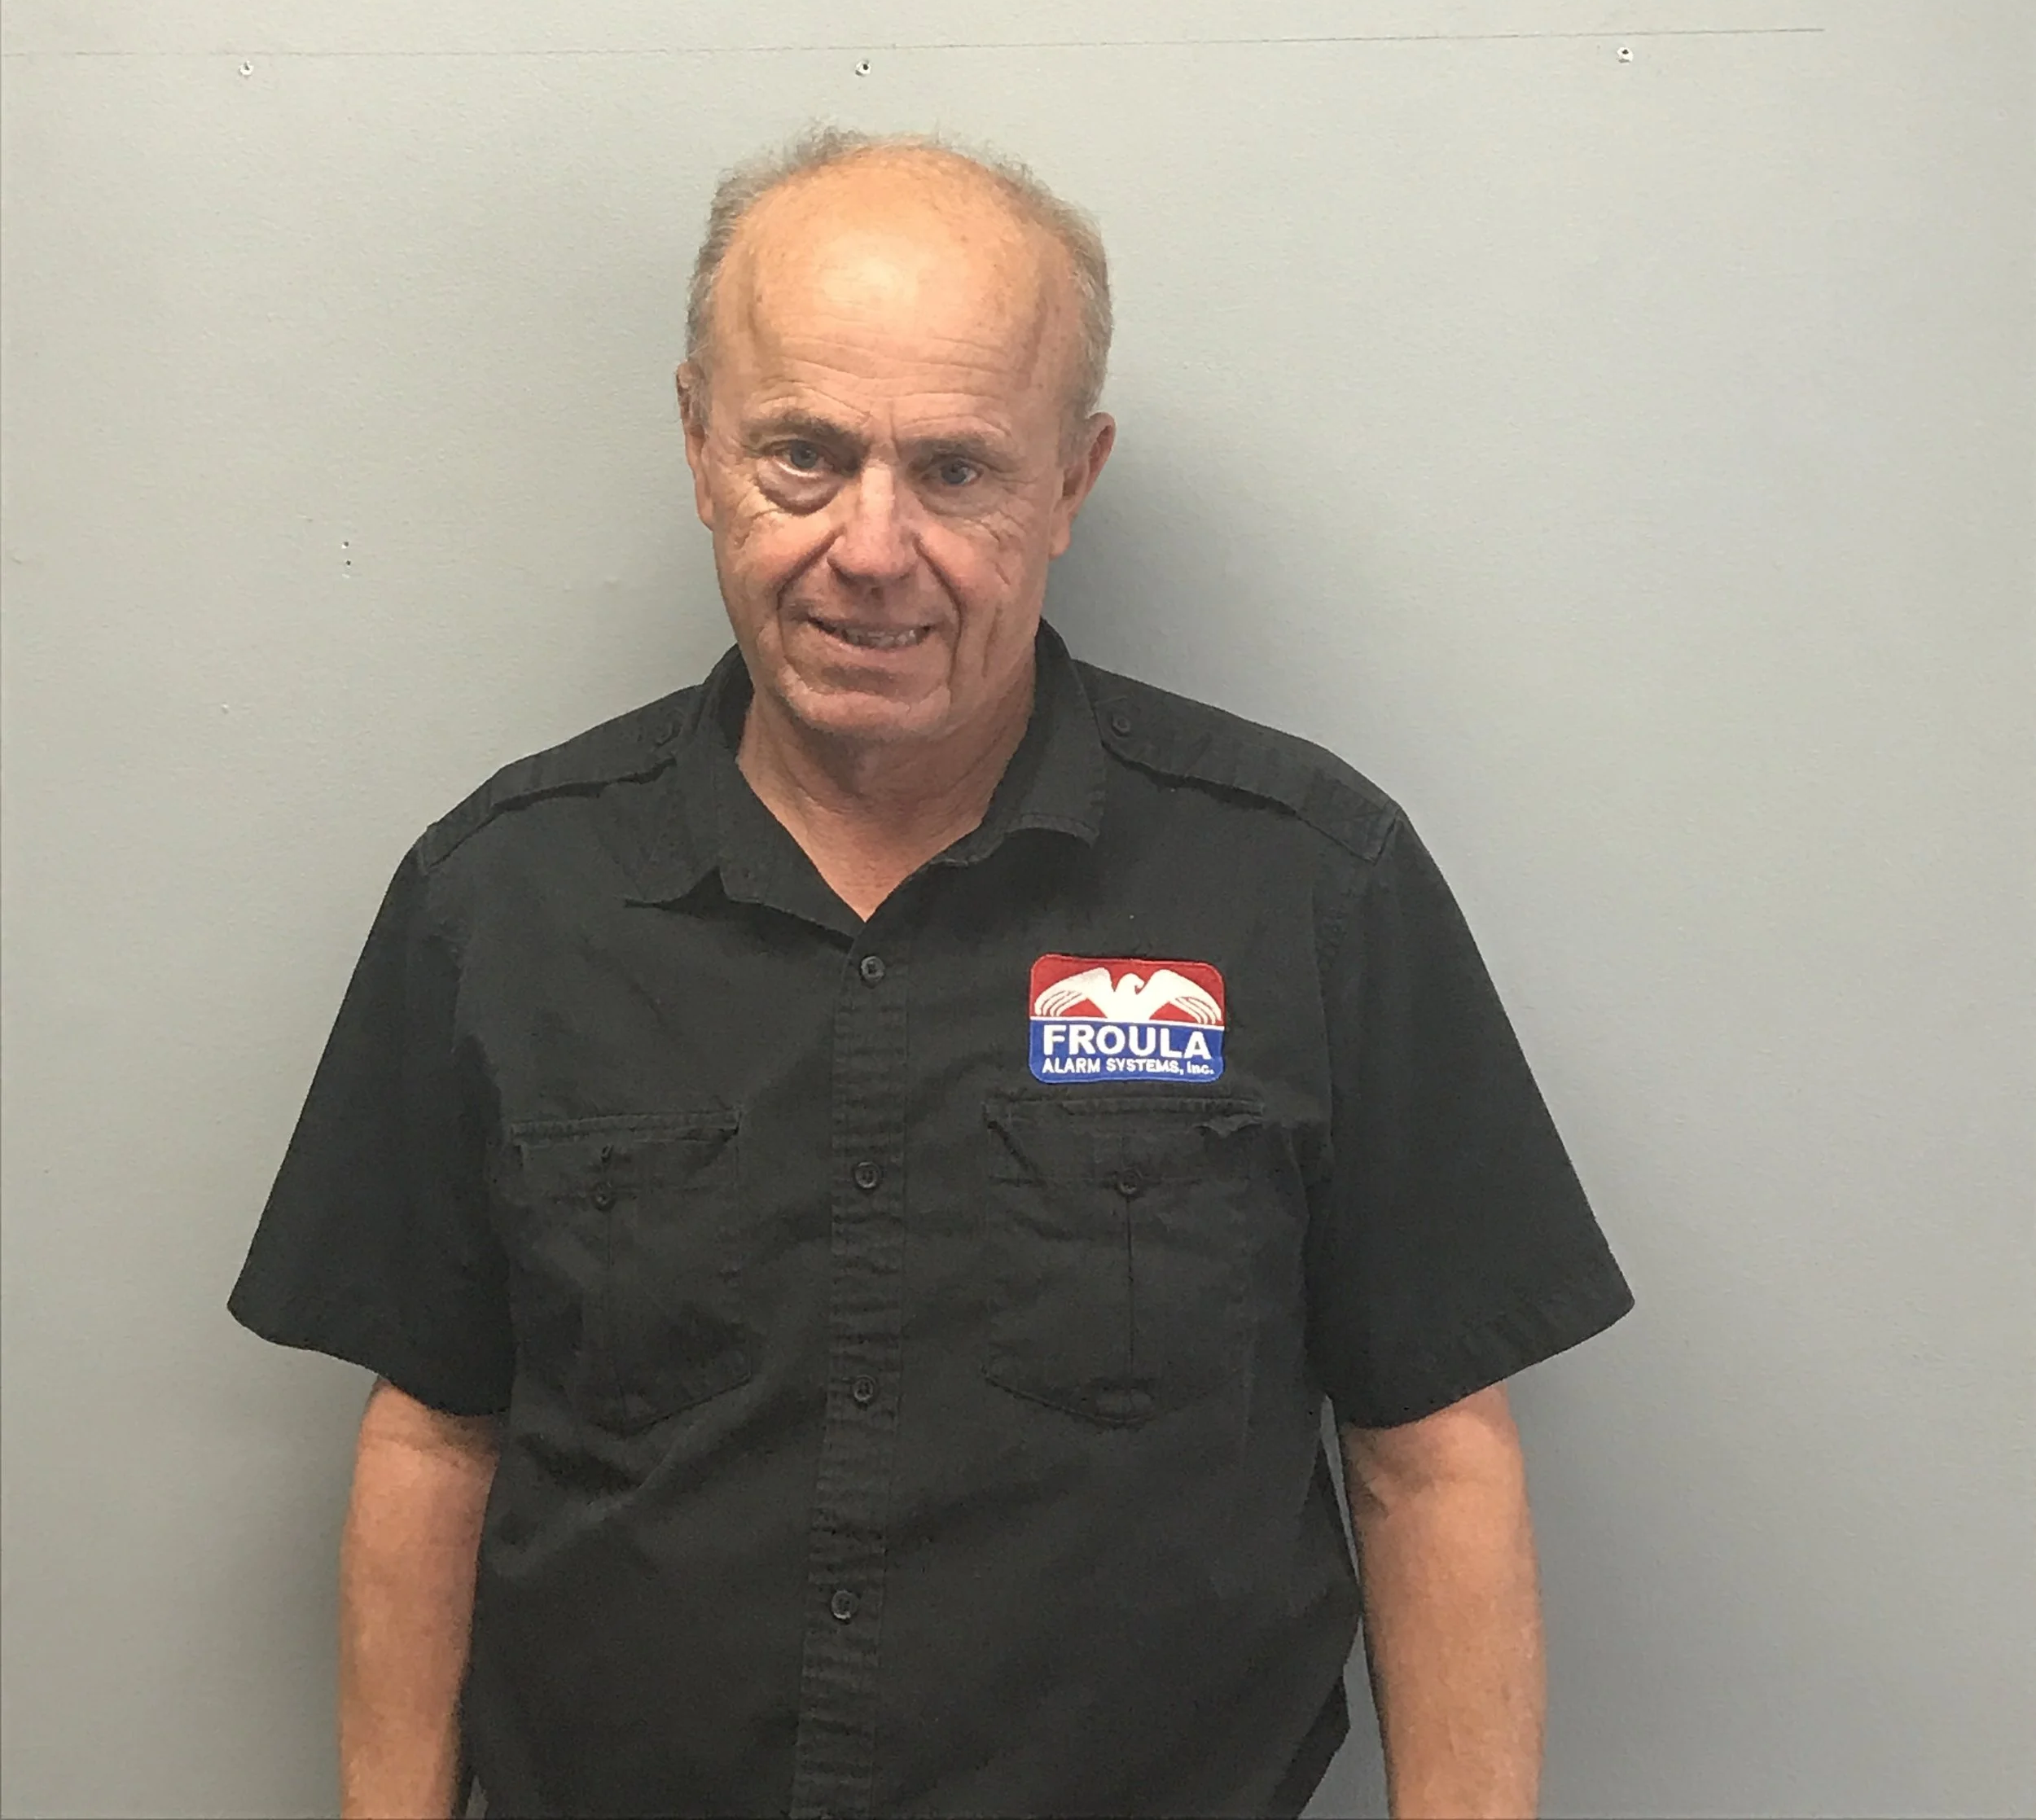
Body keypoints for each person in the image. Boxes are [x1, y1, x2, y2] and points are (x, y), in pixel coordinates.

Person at [230, 128, 1634, 1820]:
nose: (872, 547)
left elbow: (1430, 1460)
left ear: (1072, 481)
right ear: (699, 446)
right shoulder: (503, 898)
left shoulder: (1309, 885)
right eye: (803, 455)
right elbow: (435, 1436)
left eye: (957, 470)